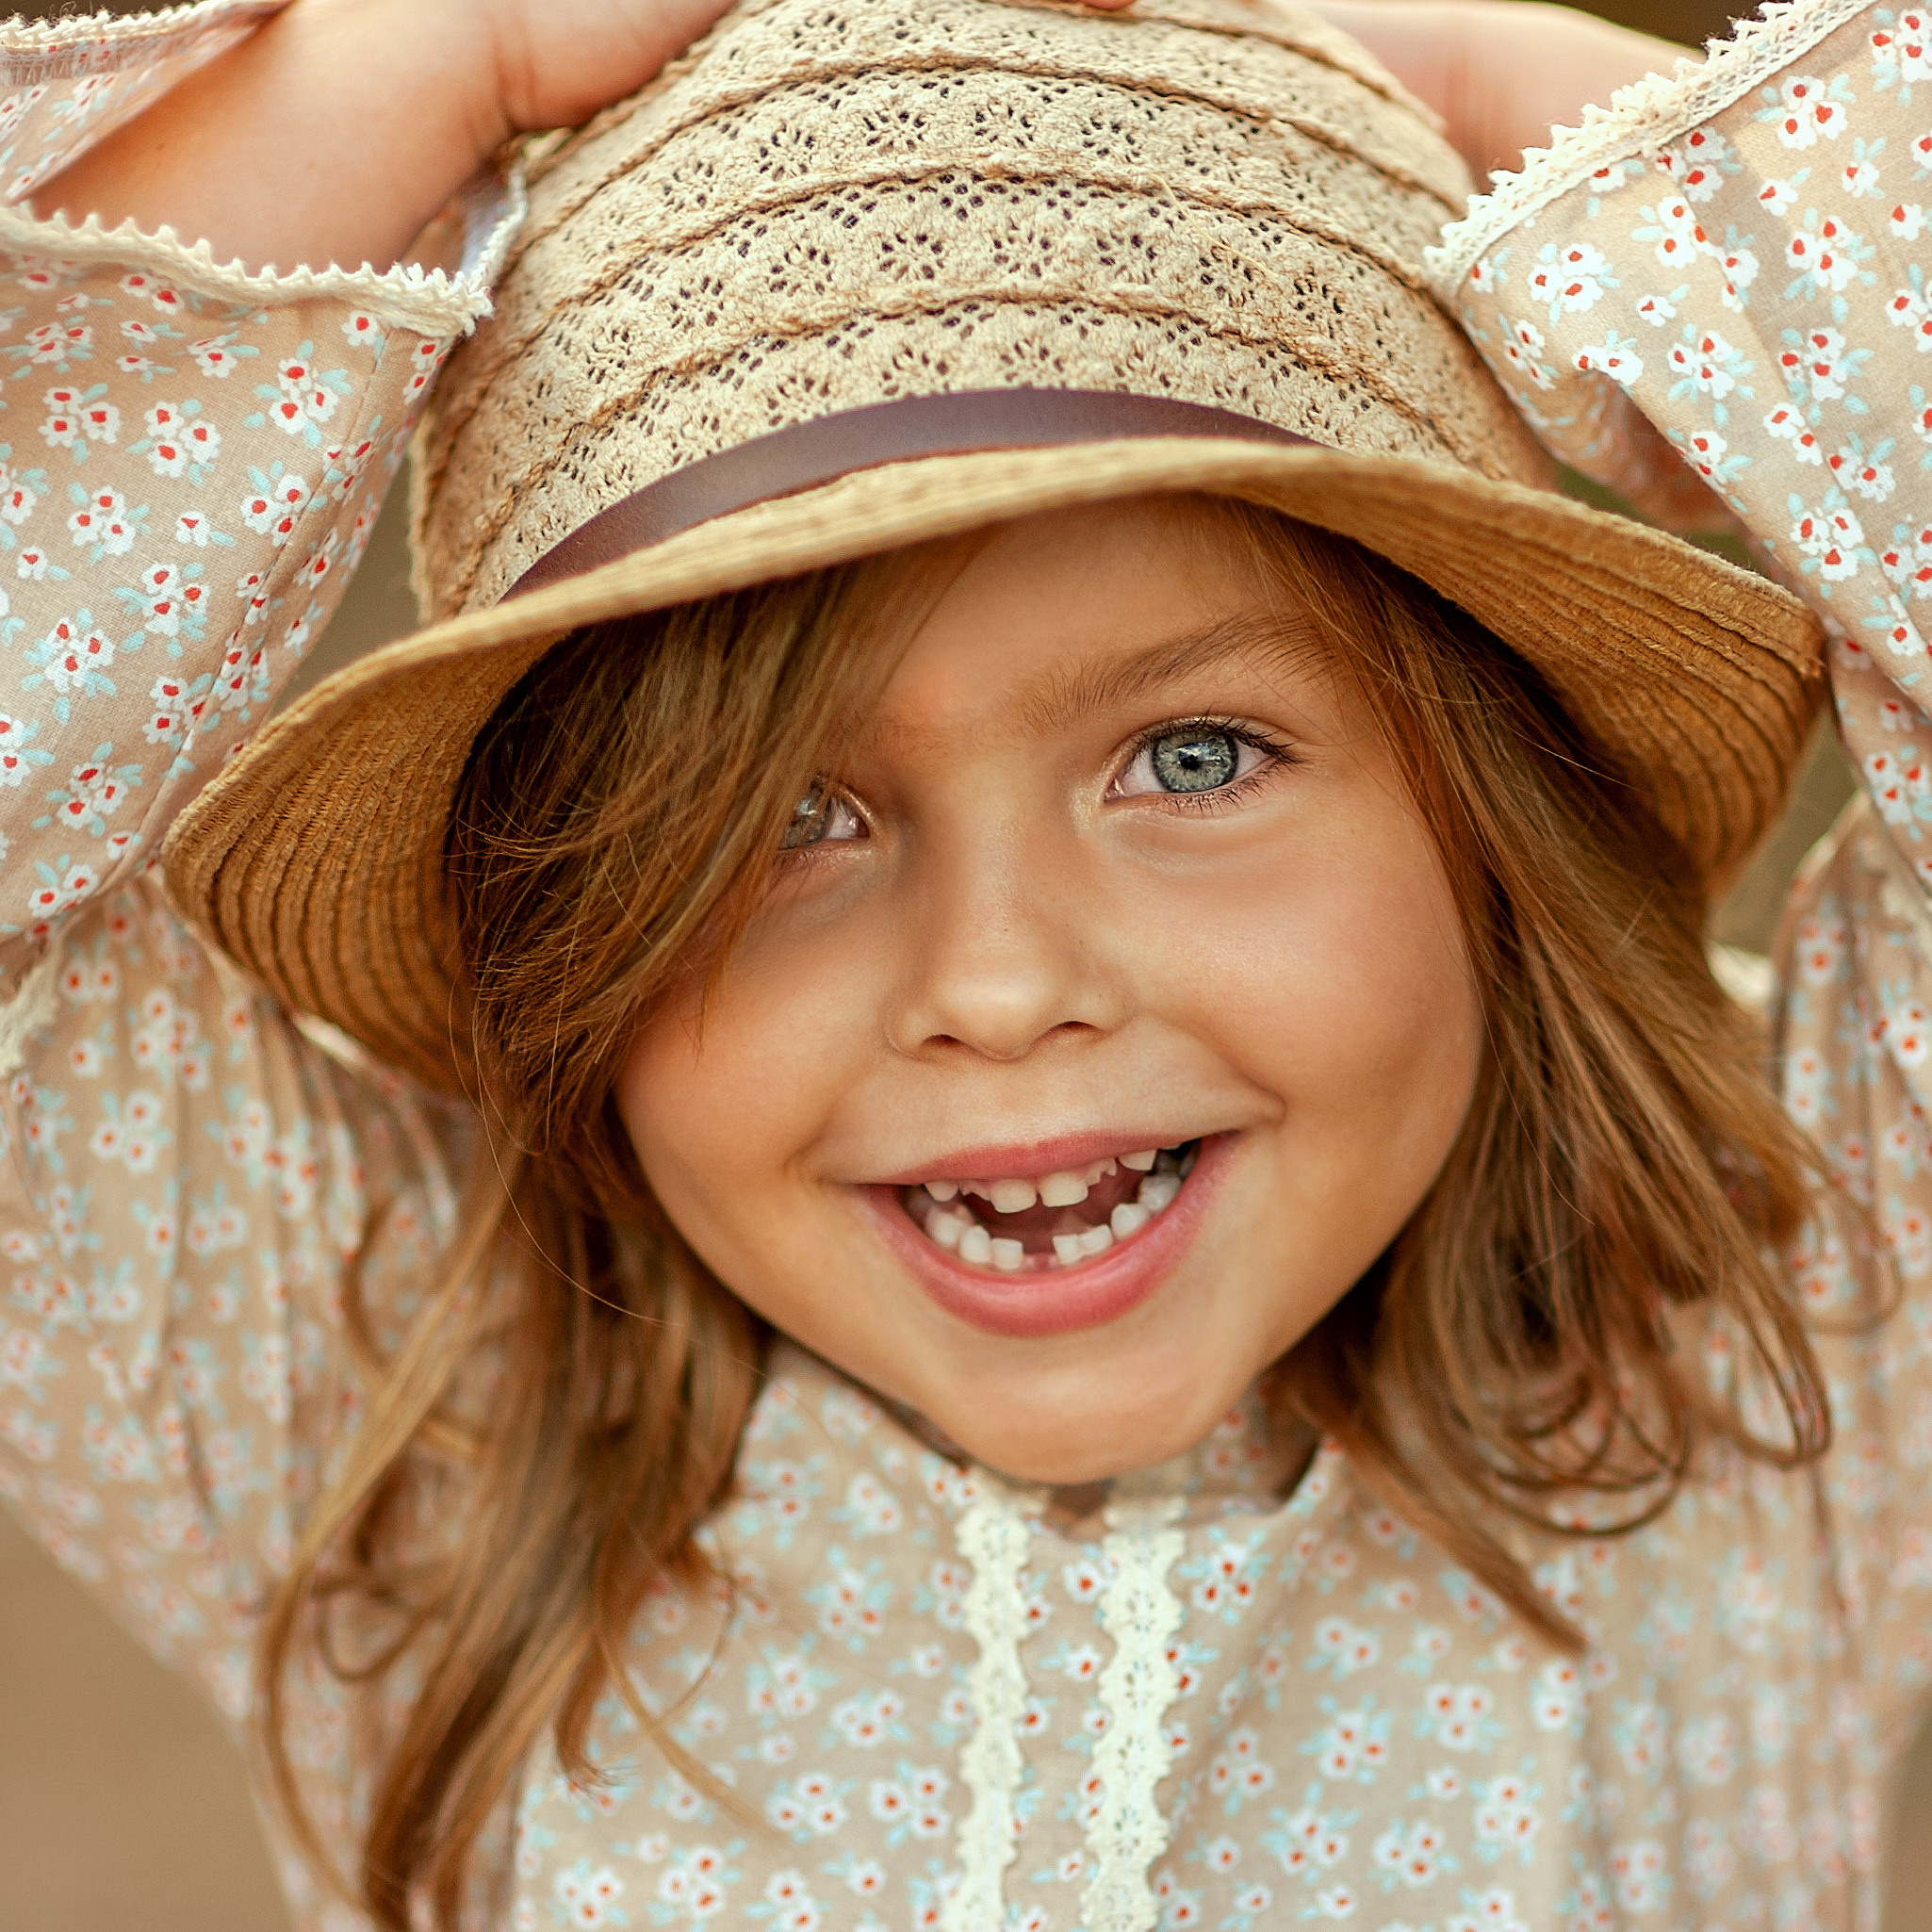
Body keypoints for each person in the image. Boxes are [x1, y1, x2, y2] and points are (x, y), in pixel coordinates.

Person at [0, 0, 1914, 1927]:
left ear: (1488, 827)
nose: (998, 988)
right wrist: (428, 58)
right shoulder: (406, 1433)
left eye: (1192, 758)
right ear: (564, 927)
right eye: (779, 824)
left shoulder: (1775, 1362)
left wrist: (1438, 70)